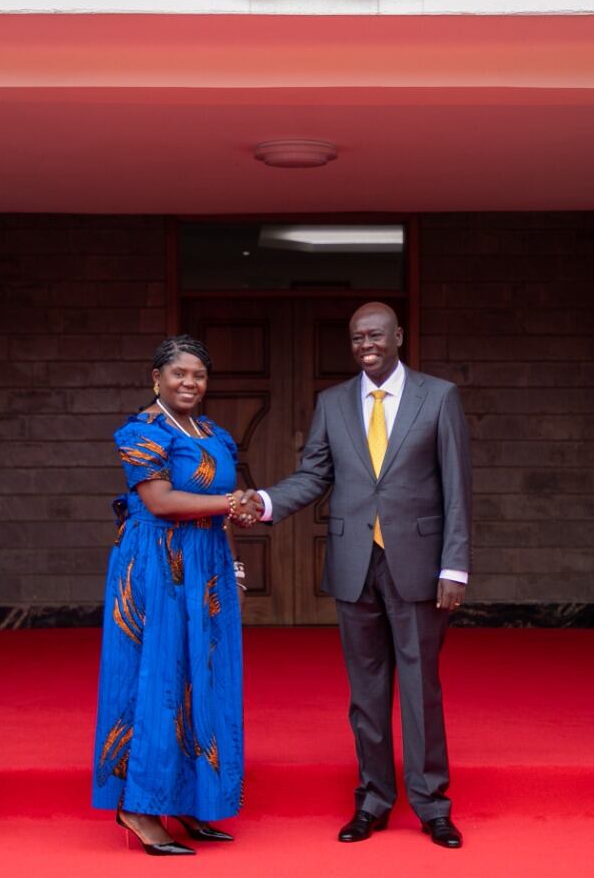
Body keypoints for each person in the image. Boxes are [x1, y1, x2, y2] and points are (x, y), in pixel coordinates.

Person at [246, 302, 471, 849]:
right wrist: (265, 501)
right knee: (366, 692)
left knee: (420, 689)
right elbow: (313, 474)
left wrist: (455, 565)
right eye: (356, 338)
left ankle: (432, 805)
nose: (366, 344)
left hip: (419, 564)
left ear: (398, 336)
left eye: (375, 335)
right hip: (353, 563)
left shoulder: (439, 396)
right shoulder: (333, 402)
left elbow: (457, 486)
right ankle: (372, 799)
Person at [91, 335, 258, 856]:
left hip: (207, 565)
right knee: (159, 677)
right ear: (156, 378)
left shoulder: (213, 434)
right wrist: (230, 501)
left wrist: (234, 570)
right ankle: (139, 807)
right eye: (179, 373)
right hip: (156, 566)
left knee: (201, 674)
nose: (190, 382)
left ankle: (188, 797)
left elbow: (221, 512)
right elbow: (160, 501)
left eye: (199, 375)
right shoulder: (143, 431)